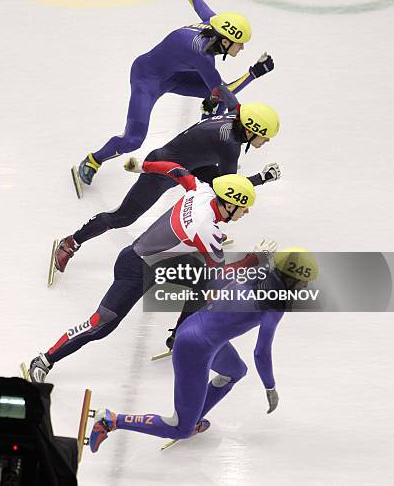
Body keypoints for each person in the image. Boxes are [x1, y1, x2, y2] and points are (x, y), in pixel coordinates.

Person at [27, 163, 261, 384]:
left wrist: (142, 166)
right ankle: (44, 360)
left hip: (150, 262)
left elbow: (177, 170)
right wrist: (252, 259)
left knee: (202, 278)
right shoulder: (205, 229)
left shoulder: (202, 191)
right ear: (230, 204)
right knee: (101, 325)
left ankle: (179, 335)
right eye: (245, 206)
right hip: (134, 270)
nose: (248, 211)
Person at [88, 248, 318, 452]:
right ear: (288, 279)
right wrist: (270, 387)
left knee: (236, 371)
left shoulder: (258, 273)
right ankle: (111, 420)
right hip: (195, 349)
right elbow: (261, 353)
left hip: (197, 330)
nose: (306, 287)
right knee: (179, 428)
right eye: (302, 282)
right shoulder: (275, 305)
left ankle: (193, 417)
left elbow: (215, 281)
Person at [76, 0, 274, 186]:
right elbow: (227, 93)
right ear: (226, 40)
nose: (242, 48)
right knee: (133, 140)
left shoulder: (213, 23)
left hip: (175, 76)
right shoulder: (202, 55)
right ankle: (93, 160)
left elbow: (196, 1)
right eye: (240, 43)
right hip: (146, 80)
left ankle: (209, 140)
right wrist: (253, 73)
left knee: (216, 98)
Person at [55, 102, 281, 273]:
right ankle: (71, 242)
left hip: (189, 163)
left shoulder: (234, 116)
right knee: (122, 218)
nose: (267, 142)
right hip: (164, 171)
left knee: (212, 193)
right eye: (266, 137)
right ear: (251, 129)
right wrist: (261, 178)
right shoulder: (230, 145)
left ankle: (208, 232)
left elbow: (224, 95)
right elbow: (232, 190)